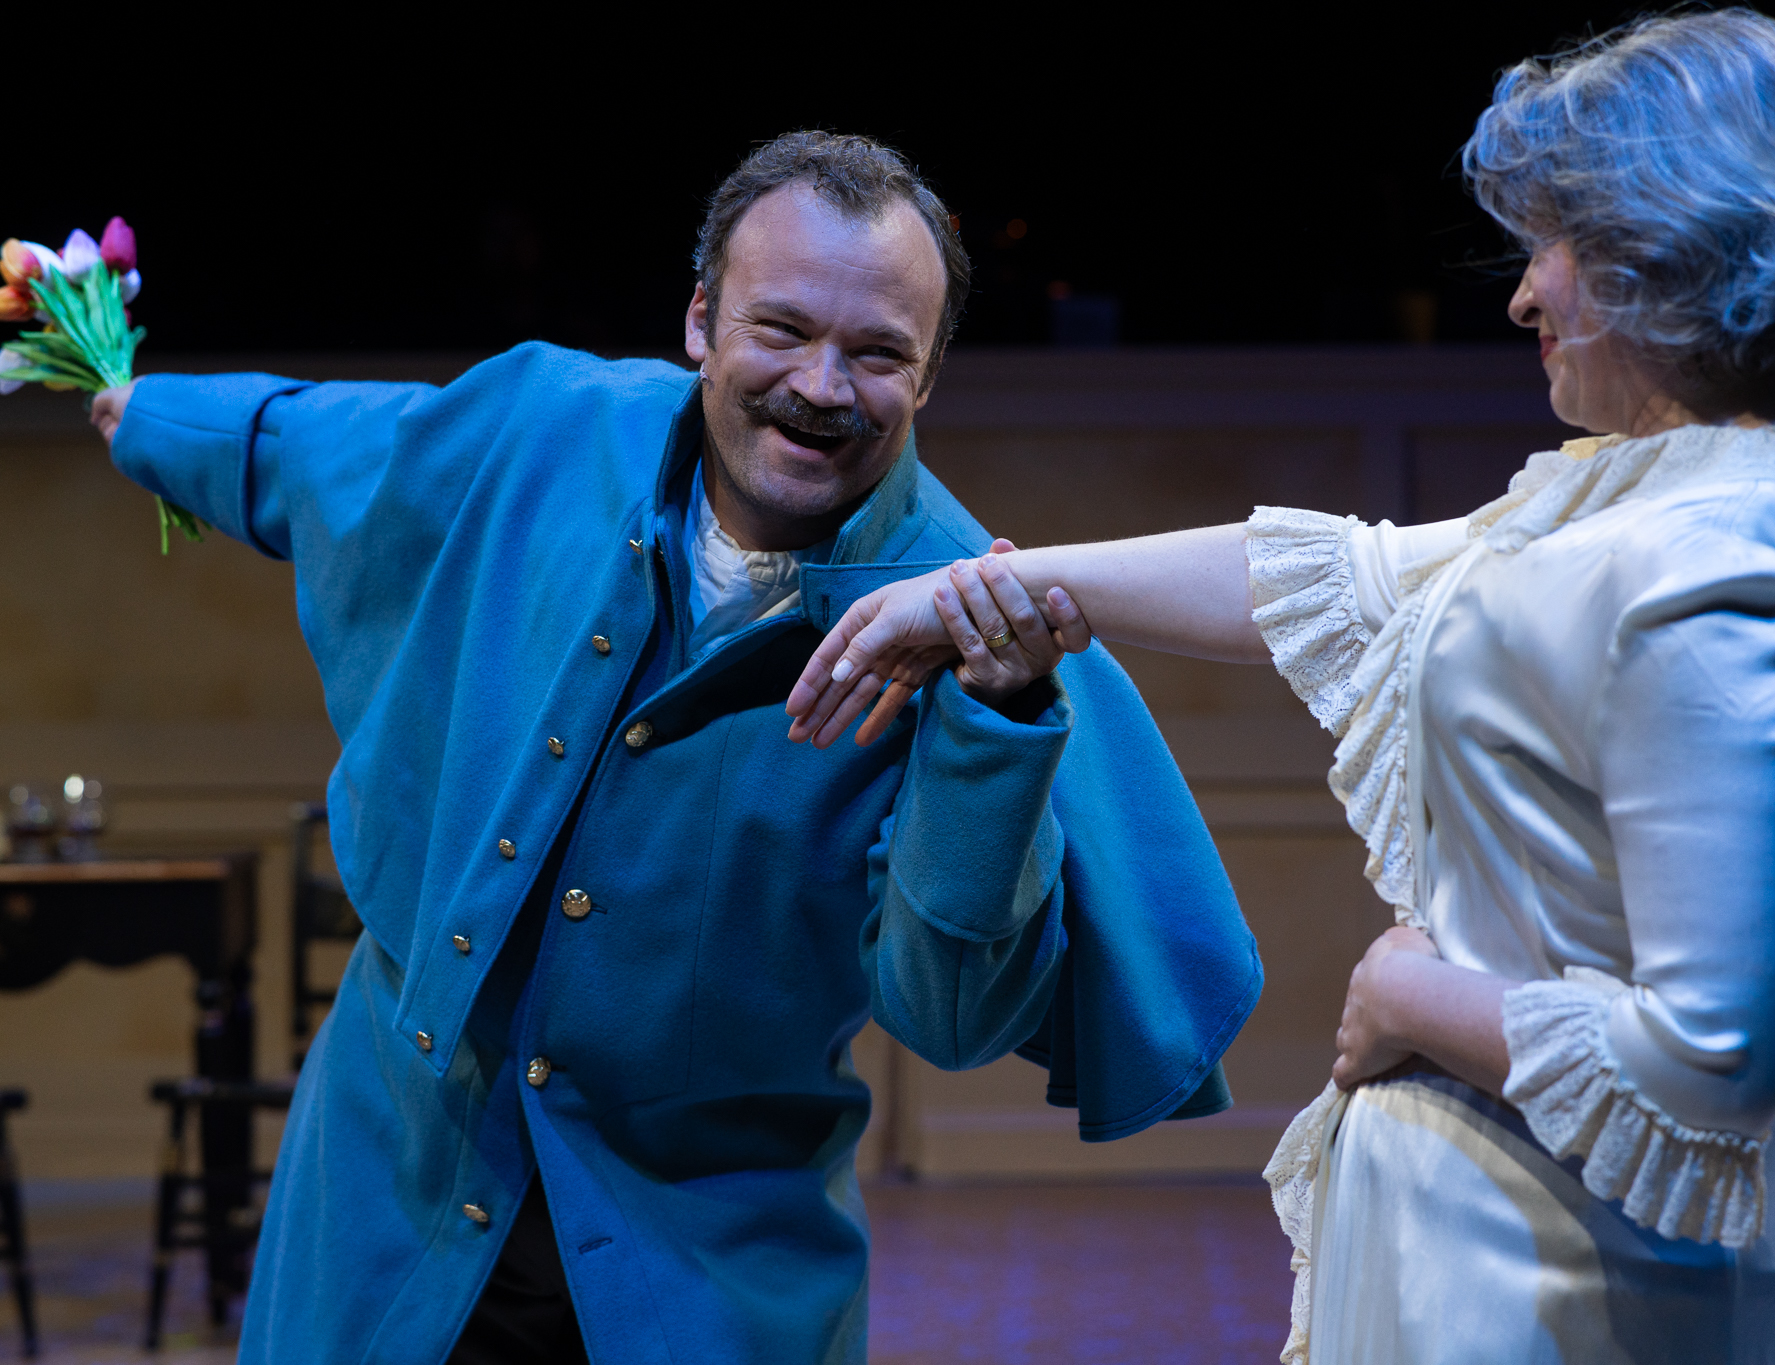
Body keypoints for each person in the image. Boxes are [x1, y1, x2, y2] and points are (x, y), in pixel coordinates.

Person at [788, 12, 1775, 1361]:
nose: (1529, 294)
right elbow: (1348, 578)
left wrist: (1412, 1004)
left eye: (1558, 246)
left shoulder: (1718, 565)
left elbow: (1715, 1068)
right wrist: (970, 592)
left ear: (1670, 251)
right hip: (1508, 1239)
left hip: (1579, 1283)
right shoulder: (1687, 488)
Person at [90, 132, 1261, 1365]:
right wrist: (139, 413)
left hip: (703, 1274)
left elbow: (952, 1017)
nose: (820, 384)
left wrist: (995, 715)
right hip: (390, 1210)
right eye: (780, 330)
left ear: (928, 379)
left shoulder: (963, 611)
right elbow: (318, 452)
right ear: (699, 320)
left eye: (876, 354)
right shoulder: (545, 425)